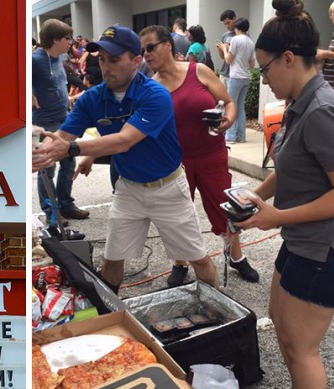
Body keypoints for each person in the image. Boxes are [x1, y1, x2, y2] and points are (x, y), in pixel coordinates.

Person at [238, 1, 334, 389]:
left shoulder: (323, 109)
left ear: (289, 58)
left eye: (265, 68)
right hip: (304, 240)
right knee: (279, 318)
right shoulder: (299, 100)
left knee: (301, 345)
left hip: (329, 250)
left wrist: (274, 217)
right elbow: (291, 166)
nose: (263, 78)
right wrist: (257, 196)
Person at [32, 25, 218, 293]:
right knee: (111, 258)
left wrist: (73, 150)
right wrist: (40, 151)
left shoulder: (155, 95)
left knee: (197, 257)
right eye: (102, 59)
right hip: (129, 189)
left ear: (136, 61)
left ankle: (215, 311)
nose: (107, 67)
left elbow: (125, 141)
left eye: (115, 59)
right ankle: (108, 315)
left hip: (168, 188)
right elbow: (61, 136)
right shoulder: (92, 99)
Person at [139, 25, 260, 287]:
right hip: (175, 162)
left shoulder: (199, 71)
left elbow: (228, 102)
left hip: (211, 155)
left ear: (168, 46)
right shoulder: (150, 87)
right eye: (142, 51)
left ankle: (236, 257)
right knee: (177, 214)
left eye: (150, 47)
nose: (146, 54)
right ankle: (180, 262)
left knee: (225, 208)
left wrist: (228, 120)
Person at [32, 19, 90, 226]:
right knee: (47, 169)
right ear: (56, 39)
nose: (71, 42)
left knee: (68, 163)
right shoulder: (36, 59)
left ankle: (66, 205)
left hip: (64, 119)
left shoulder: (60, 57)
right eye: (67, 38)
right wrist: (29, 93)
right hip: (44, 121)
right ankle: (51, 213)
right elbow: (13, 75)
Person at [220, 18, 255, 143]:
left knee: (230, 106)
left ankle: (230, 136)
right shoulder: (250, 42)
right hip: (246, 77)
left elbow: (228, 60)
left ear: (237, 28)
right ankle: (241, 136)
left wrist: (224, 49)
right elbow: (252, 64)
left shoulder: (235, 39)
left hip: (235, 77)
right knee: (240, 107)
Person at [216, 10, 237, 88]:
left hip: (235, 75)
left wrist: (227, 47)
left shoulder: (242, 34)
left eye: (228, 22)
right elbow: (223, 58)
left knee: (233, 99)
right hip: (224, 73)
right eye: (225, 24)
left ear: (234, 19)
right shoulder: (225, 35)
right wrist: (220, 50)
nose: (227, 26)